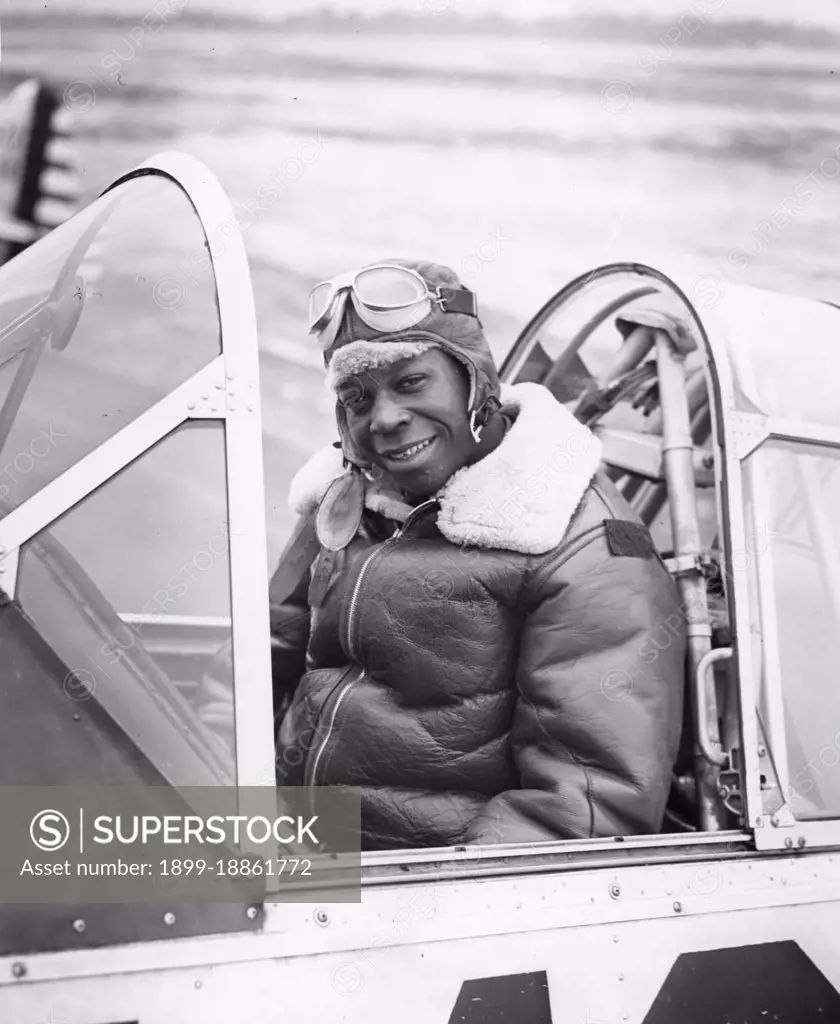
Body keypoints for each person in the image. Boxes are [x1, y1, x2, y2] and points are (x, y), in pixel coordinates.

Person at [208, 258, 686, 850]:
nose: (384, 418)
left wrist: (423, 908)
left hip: (415, 885)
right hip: (283, 838)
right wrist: (214, 791)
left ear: (475, 380)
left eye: (411, 382)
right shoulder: (345, 497)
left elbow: (582, 808)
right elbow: (253, 666)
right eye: (357, 399)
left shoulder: (586, 547)